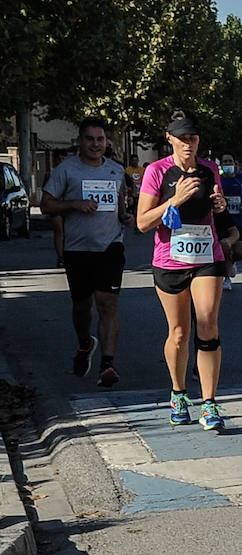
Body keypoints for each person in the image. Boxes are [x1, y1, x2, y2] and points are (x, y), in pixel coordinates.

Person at [136, 110, 231, 432]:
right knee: (179, 333)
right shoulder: (156, 171)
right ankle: (178, 394)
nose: (188, 145)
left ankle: (210, 403)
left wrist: (220, 205)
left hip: (207, 256)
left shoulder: (209, 169)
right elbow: (142, 222)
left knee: (208, 324)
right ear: (170, 139)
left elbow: (217, 205)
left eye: (193, 138)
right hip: (169, 260)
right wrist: (173, 201)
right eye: (182, 139)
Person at [40, 118, 132, 387]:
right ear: (80, 141)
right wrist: (74, 204)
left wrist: (126, 217)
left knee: (108, 303)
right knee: (82, 307)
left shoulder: (116, 171)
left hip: (110, 246)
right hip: (78, 249)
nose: (95, 144)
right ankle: (84, 344)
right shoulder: (66, 171)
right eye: (90, 139)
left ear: (106, 142)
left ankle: (107, 365)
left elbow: (120, 208)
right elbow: (46, 205)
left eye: (100, 139)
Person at [218, 153, 242, 290]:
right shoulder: (218, 180)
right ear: (221, 165)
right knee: (225, 248)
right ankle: (226, 278)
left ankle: (232, 263)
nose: (228, 164)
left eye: (230, 161)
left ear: (235, 163)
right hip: (224, 221)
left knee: (239, 253)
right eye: (225, 162)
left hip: (239, 220)